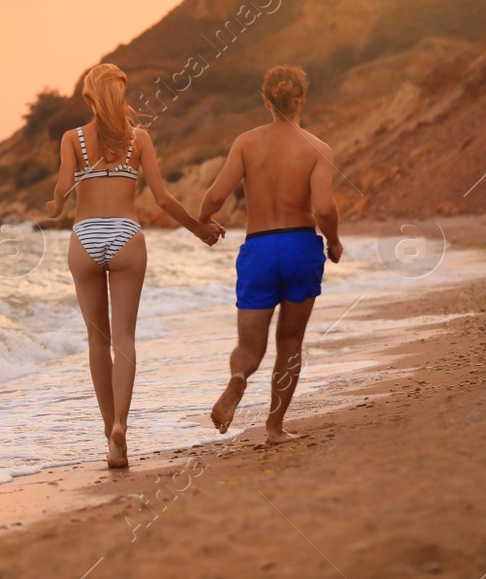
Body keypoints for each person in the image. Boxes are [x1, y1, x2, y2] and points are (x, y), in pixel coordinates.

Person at [46, 63, 223, 469]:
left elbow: (60, 193)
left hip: (86, 238)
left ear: (88, 99)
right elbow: (162, 199)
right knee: (125, 337)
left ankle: (108, 432)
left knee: (98, 343)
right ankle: (121, 425)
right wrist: (200, 230)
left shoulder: (72, 139)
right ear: (121, 97)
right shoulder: (139, 139)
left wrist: (55, 206)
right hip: (127, 236)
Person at [197, 64, 342, 444]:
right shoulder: (318, 148)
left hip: (259, 248)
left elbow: (215, 195)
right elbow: (325, 208)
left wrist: (203, 220)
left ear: (266, 101)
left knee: (249, 345)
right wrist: (335, 241)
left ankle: (238, 378)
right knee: (290, 343)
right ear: (302, 99)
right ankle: (274, 428)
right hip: (300, 247)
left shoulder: (246, 142)